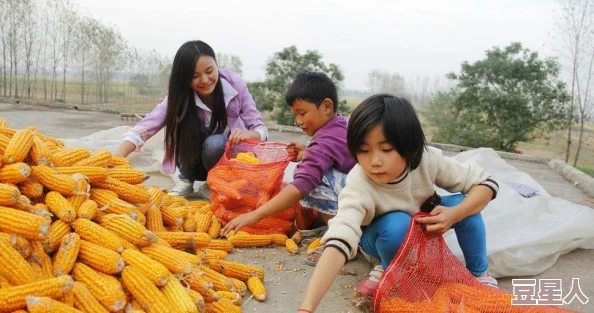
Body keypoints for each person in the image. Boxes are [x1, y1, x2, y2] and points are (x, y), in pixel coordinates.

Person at [296, 94, 499, 312]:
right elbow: (340, 239)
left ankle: (479, 274)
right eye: (364, 151)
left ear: (409, 145)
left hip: (420, 226)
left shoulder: (426, 159)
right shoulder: (359, 183)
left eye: (386, 149)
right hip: (379, 237)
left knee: (463, 203)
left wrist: (455, 214)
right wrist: (307, 308)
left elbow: (486, 183)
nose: (374, 161)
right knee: (397, 224)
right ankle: (386, 267)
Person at [221, 72, 356, 251]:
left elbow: (301, 186)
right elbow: (334, 156)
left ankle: (342, 237)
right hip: (365, 194)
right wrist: (307, 153)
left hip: (359, 198)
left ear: (327, 106)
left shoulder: (324, 141)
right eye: (295, 115)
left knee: (313, 179)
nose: (298, 121)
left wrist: (255, 215)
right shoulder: (341, 124)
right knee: (313, 170)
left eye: (302, 113)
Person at [114, 40, 268, 197]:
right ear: (185, 78)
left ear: (217, 65)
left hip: (226, 159)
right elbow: (143, 129)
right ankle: (187, 179)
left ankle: (217, 182)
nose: (205, 80)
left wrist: (248, 134)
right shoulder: (179, 96)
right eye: (195, 76)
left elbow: (261, 130)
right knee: (182, 123)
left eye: (209, 71)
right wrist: (113, 162)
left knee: (215, 143)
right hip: (193, 162)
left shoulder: (235, 85)